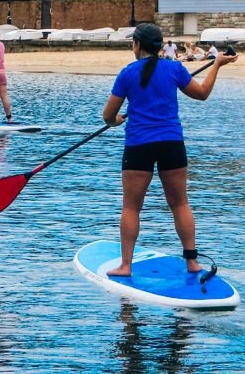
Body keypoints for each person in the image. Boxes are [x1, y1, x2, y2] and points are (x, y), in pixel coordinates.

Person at [101, 22, 237, 277]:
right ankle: (192, 263)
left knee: (131, 207)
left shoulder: (128, 73)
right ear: (160, 46)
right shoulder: (174, 68)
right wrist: (217, 64)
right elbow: (202, 93)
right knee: (180, 203)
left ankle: (126, 266)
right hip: (171, 144)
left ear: (137, 45)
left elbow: (107, 115)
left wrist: (116, 120)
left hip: (139, 145)